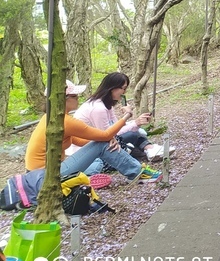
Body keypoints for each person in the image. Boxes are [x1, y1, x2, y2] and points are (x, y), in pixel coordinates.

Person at [25, 80, 161, 182]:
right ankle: (138, 172)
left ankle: (135, 170)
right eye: (75, 96)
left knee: (98, 158)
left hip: (38, 174)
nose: (78, 99)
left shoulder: (52, 118)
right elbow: (106, 134)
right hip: (46, 176)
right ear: (64, 99)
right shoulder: (65, 121)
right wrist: (127, 116)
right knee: (102, 146)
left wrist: (105, 140)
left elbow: (78, 141)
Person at [71, 72, 169, 166]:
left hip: (100, 141)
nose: (124, 92)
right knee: (132, 133)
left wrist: (136, 122)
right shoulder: (98, 108)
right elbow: (108, 135)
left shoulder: (106, 105)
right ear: (113, 89)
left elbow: (115, 128)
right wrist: (131, 119)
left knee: (136, 131)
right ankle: (148, 149)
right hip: (87, 148)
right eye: (124, 88)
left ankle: (149, 149)